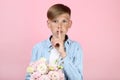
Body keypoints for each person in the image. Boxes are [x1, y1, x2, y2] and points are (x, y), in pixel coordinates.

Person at [26, 3, 83, 80]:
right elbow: (29, 77)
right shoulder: (38, 48)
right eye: (55, 21)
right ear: (49, 24)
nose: (59, 26)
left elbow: (78, 79)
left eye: (64, 21)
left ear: (70, 24)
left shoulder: (76, 47)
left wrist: (63, 54)